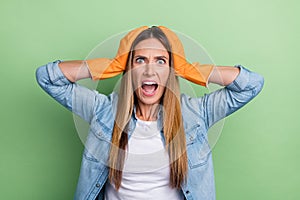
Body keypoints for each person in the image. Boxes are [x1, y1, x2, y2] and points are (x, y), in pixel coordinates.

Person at [36, 26, 264, 200]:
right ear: (129, 68)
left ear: (172, 69)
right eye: (140, 60)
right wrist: (110, 66)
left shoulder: (197, 113)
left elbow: (251, 84)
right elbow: (48, 78)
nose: (150, 70)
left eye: (161, 61)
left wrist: (189, 69)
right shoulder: (103, 110)